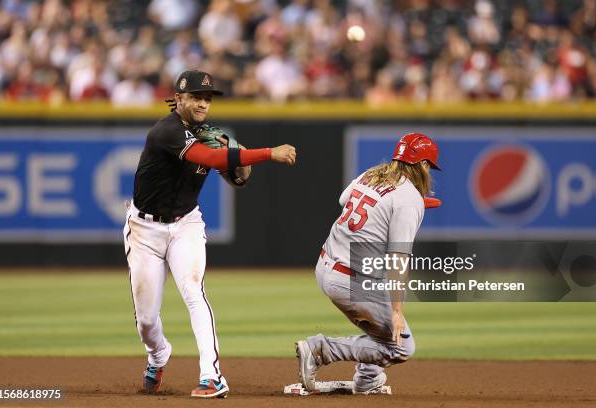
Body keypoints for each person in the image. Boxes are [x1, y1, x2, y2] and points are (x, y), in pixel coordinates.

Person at [124, 70, 296, 398]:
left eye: (208, 98)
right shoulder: (167, 131)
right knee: (146, 321)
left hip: (186, 223)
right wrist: (267, 153)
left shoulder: (209, 133)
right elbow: (209, 158)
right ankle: (158, 355)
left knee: (193, 290)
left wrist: (236, 156)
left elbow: (239, 178)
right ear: (179, 99)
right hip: (144, 229)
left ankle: (212, 377)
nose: (203, 103)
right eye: (196, 97)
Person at [295, 132, 440, 394]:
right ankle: (319, 350)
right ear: (422, 165)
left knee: (380, 326)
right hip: (352, 281)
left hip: (326, 266)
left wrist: (391, 208)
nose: (429, 171)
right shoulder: (409, 199)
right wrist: (397, 311)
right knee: (401, 347)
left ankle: (368, 380)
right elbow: (398, 257)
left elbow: (345, 200)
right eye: (429, 165)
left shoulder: (372, 174)